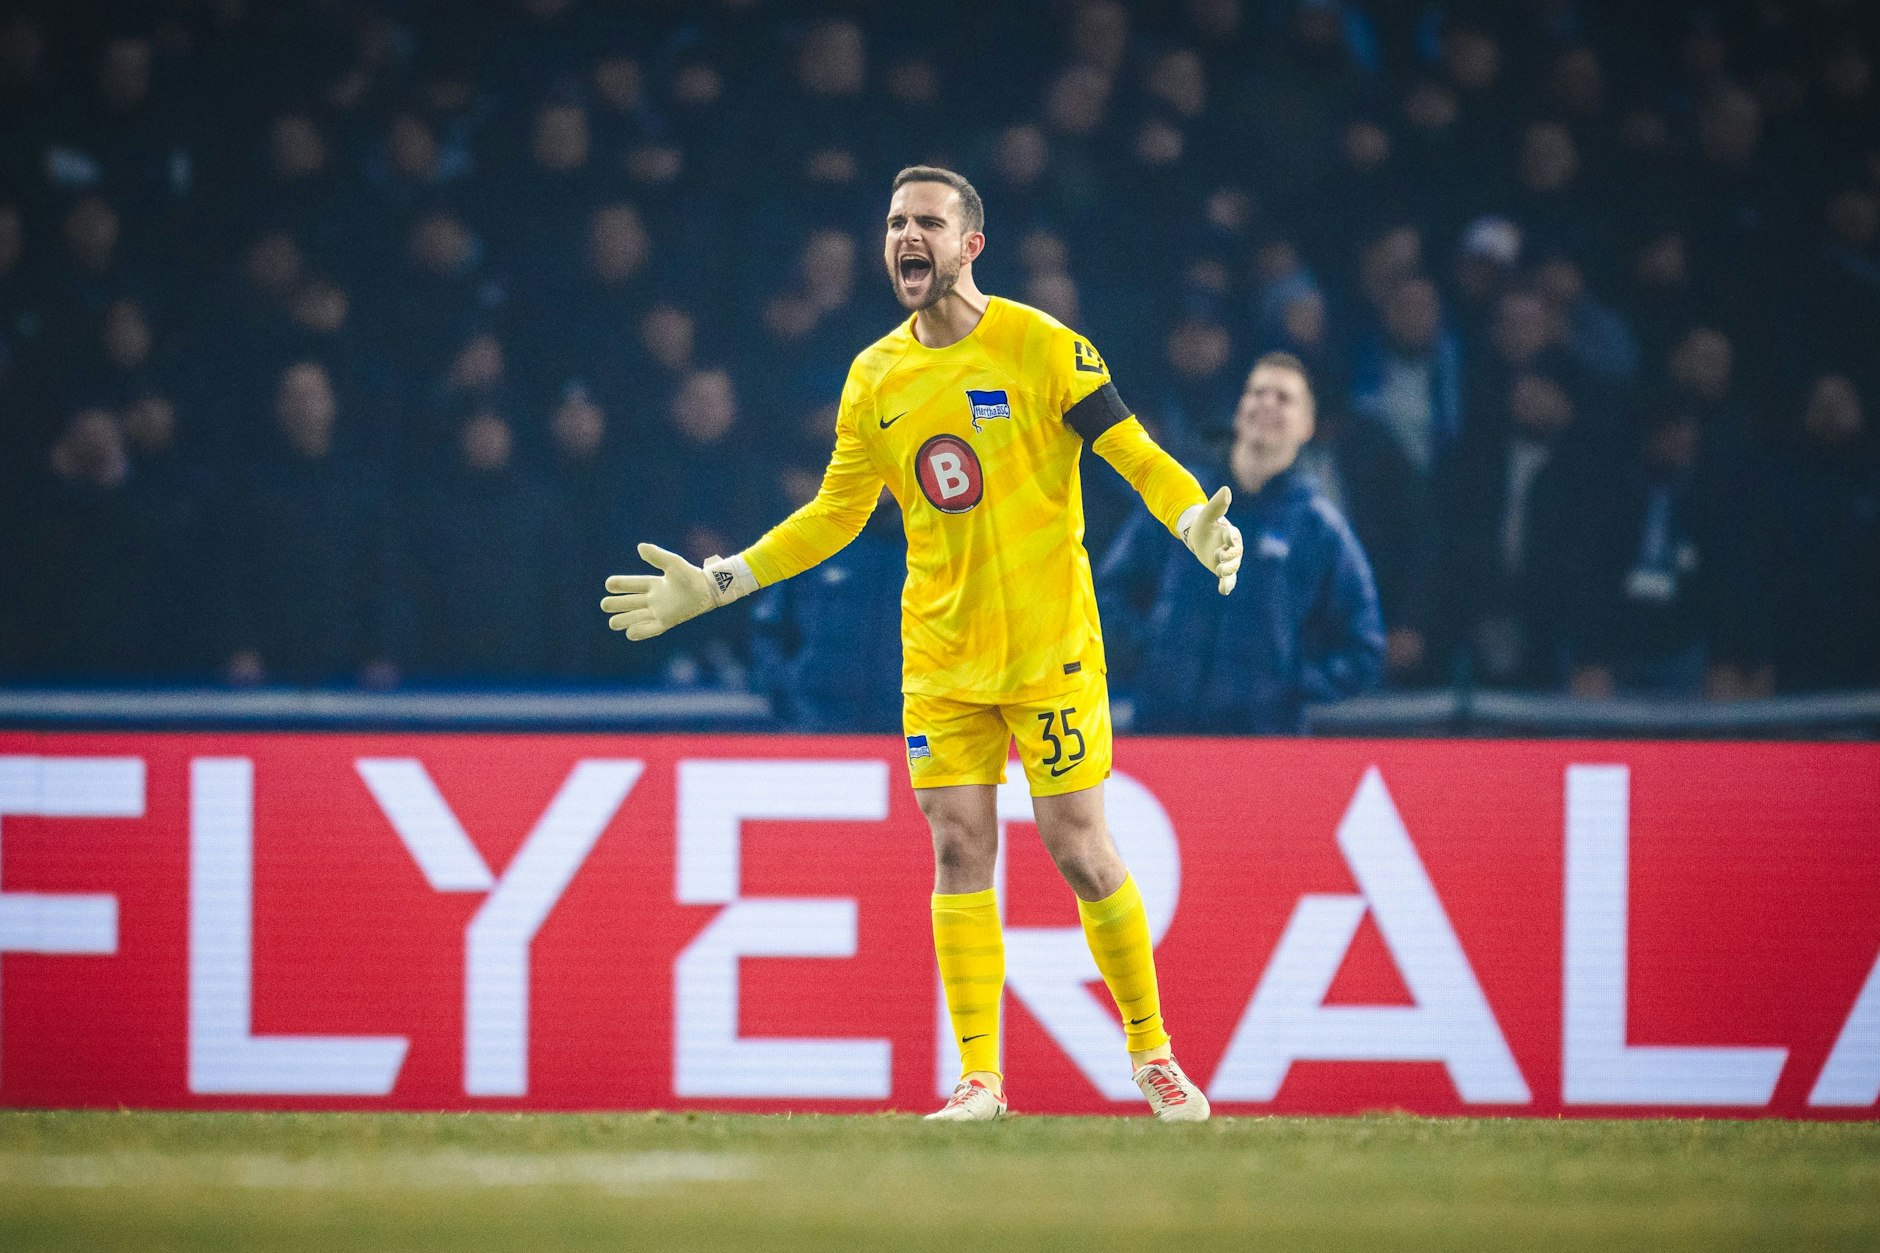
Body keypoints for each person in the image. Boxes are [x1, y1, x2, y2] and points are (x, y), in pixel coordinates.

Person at [600, 166, 1242, 1122]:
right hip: (940, 656)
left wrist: (1192, 517)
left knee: (1079, 849)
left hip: (1048, 646)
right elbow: (834, 515)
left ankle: (1152, 1053)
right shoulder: (875, 375)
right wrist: (719, 581)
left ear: (969, 245)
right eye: (896, 221)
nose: (908, 236)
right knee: (957, 846)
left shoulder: (1038, 344)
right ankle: (980, 1077)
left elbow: (1130, 449)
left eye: (929, 223)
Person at [1101, 352, 1385, 733]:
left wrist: (1292, 682)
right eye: (1257, 392)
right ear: (1239, 411)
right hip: (1162, 733)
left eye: (1284, 398)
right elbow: (1109, 594)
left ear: (1308, 425)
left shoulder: (1320, 528)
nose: (1267, 402)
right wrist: (1147, 653)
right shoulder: (1183, 502)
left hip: (1264, 749)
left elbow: (1363, 648)